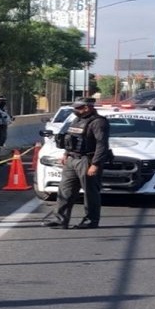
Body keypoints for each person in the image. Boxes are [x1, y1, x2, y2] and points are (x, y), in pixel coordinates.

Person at [42, 97, 110, 229]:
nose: (75, 110)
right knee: (65, 190)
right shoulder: (76, 120)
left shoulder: (98, 122)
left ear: (87, 107)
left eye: (78, 108)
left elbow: (102, 145)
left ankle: (90, 220)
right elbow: (71, 139)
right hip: (72, 159)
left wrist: (95, 164)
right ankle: (60, 219)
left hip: (87, 161)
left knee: (90, 193)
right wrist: (66, 154)